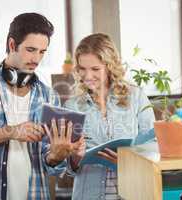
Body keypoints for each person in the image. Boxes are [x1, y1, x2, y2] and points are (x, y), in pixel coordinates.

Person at [0, 12, 84, 200]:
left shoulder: (48, 95)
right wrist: (11, 131)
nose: (37, 59)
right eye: (31, 49)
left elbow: (52, 166)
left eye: (42, 52)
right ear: (12, 45)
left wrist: (56, 155)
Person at [65, 33, 155, 200]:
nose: (87, 76)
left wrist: (127, 163)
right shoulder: (72, 106)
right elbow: (67, 168)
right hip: (87, 194)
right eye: (82, 69)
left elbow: (153, 147)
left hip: (132, 192)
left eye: (95, 69)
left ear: (110, 66)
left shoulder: (136, 97)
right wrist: (75, 158)